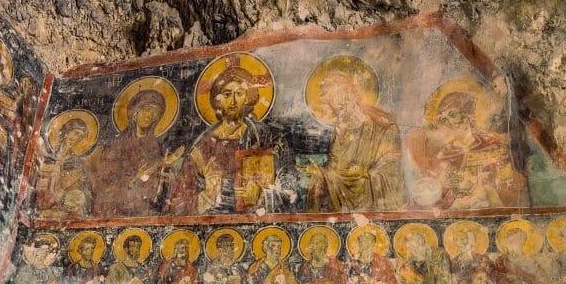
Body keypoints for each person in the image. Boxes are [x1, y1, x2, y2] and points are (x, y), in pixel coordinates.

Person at [167, 60, 285, 214]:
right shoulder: (204, 144)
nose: (233, 101)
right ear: (218, 100)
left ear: (248, 98)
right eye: (227, 94)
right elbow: (178, 203)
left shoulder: (263, 136)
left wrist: (261, 192)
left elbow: (286, 187)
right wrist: (208, 194)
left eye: (239, 94)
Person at [305, 58, 403, 212]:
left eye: (337, 104)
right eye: (332, 107)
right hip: (342, 192)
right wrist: (322, 173)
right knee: (317, 179)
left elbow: (390, 171)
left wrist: (362, 175)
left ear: (349, 96)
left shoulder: (383, 127)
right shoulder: (340, 129)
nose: (335, 112)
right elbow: (335, 169)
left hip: (370, 191)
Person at [407, 86, 524, 210]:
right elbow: (434, 193)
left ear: (468, 116)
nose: (448, 122)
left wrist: (486, 190)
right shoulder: (446, 154)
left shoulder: (493, 146)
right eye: (443, 119)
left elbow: (509, 191)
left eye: (452, 115)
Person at [91, 86, 183, 216]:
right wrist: (134, 179)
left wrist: (169, 174)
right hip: (121, 208)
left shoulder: (156, 147)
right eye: (147, 110)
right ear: (135, 111)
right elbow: (106, 182)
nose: (150, 116)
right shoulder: (117, 144)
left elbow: (160, 182)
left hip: (149, 207)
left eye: (155, 113)